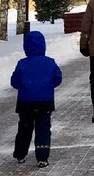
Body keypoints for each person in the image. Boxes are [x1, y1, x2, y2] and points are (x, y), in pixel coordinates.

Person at [10, 30, 62, 168]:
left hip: (25, 102)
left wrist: (25, 87)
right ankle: (42, 156)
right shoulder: (50, 62)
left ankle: (20, 153)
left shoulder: (22, 64)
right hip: (45, 102)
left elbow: (14, 82)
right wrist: (48, 86)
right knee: (43, 128)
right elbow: (58, 78)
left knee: (24, 128)